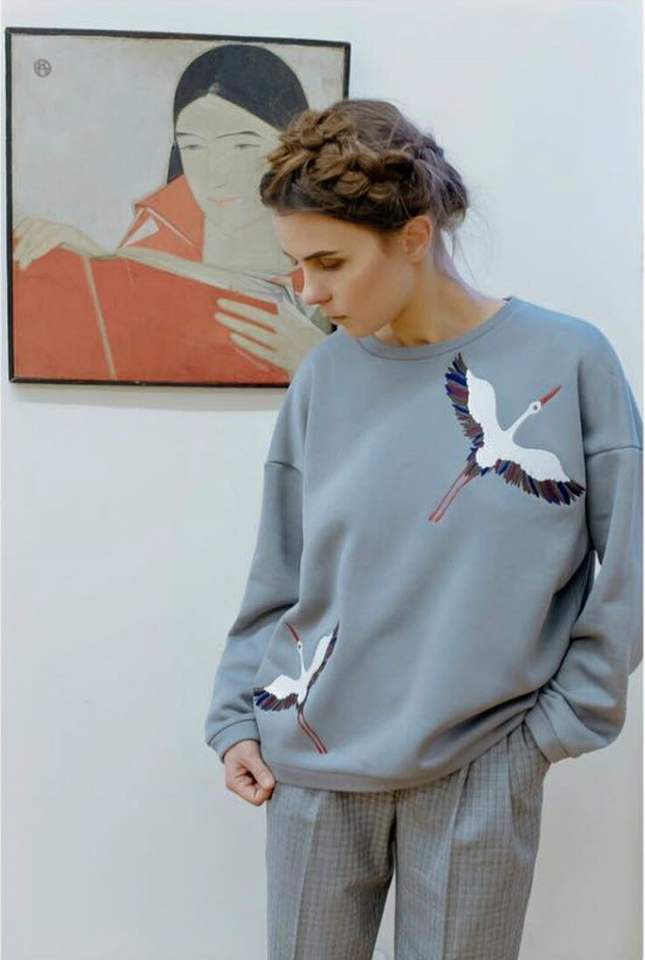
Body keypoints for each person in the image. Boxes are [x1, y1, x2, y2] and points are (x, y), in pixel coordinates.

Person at [203, 98, 643, 958]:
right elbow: (280, 574)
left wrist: (554, 729)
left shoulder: (569, 361)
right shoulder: (325, 378)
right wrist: (236, 719)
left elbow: (628, 561)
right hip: (311, 761)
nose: (309, 292)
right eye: (295, 266)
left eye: (329, 262)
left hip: (482, 762)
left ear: (413, 236)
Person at [11, 43, 330, 383]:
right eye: (193, 146)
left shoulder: (326, 253)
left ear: (289, 149)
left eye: (242, 144)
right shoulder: (156, 232)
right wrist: (99, 262)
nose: (214, 174)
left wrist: (317, 358)